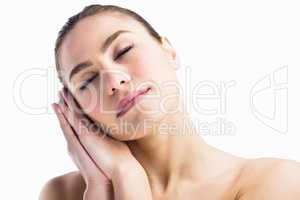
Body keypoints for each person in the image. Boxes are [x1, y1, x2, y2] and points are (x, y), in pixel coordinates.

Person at [39, 4, 300, 200]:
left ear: (169, 51)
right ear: (74, 107)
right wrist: (110, 180)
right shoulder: (62, 194)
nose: (113, 81)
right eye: (87, 81)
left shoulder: (277, 181)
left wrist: (130, 181)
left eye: (124, 50)